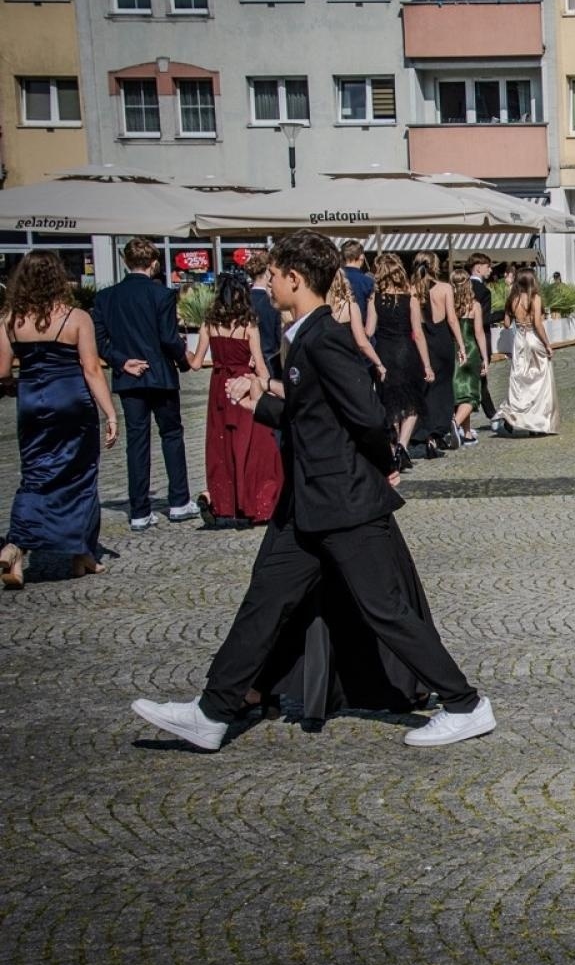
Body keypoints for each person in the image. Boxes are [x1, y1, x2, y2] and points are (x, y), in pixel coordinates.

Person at [130, 229, 495, 751]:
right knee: (263, 602)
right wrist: (259, 403)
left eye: (275, 275)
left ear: (295, 279)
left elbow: (367, 416)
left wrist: (382, 461)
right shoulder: (306, 334)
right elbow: (310, 416)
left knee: (386, 609)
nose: (270, 283)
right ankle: (213, 712)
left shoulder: (324, 337)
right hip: (307, 503)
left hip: (342, 502)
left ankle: (465, 704)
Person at [0, 251, 118, 587]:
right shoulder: (76, 317)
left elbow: (3, 371)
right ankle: (82, 552)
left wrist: (14, 386)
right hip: (72, 401)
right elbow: (92, 369)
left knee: (35, 474)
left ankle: (15, 548)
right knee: (81, 475)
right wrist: (110, 413)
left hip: (31, 402)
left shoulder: (10, 319)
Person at [92, 237, 200, 530]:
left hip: (130, 378)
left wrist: (121, 361)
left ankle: (139, 509)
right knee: (172, 436)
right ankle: (179, 501)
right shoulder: (161, 295)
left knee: (137, 442)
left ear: (126, 262)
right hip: (160, 375)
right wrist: (183, 360)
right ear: (153, 263)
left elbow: (99, 341)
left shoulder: (106, 298)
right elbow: (168, 338)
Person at [186, 271, 279, 528]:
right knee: (251, 446)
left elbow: (195, 364)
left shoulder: (209, 324)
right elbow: (260, 365)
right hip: (244, 385)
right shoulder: (248, 325)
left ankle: (223, 502)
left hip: (220, 387)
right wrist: (269, 389)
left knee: (221, 446)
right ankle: (252, 503)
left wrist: (183, 350)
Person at [367, 253, 432, 469]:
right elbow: (418, 333)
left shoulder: (374, 299)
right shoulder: (410, 298)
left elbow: (369, 330)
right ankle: (403, 445)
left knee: (390, 402)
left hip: (384, 351)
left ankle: (394, 448)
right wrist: (427, 364)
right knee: (412, 400)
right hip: (406, 350)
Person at [494, 268, 559, 436]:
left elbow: (507, 324)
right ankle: (536, 422)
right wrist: (547, 344)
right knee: (539, 380)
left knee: (519, 379)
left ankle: (513, 415)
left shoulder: (513, 299)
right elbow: (538, 323)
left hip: (519, 340)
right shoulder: (535, 298)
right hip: (532, 338)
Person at [413, 252, 463, 457]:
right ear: (435, 266)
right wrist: (461, 344)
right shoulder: (444, 288)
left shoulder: (412, 290)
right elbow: (452, 319)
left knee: (424, 387)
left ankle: (424, 432)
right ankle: (438, 431)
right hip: (442, 340)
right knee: (442, 388)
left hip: (422, 341)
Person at [450, 268, 490, 444]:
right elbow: (479, 332)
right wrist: (485, 358)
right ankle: (454, 424)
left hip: (453, 350)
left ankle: (466, 433)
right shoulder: (474, 306)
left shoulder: (449, 305)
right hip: (470, 349)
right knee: (472, 394)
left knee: (459, 392)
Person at [466, 253, 498, 426]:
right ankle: (492, 415)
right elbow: (484, 319)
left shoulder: (460, 286)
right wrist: (504, 313)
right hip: (478, 338)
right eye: (488, 266)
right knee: (481, 379)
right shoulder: (483, 291)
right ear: (478, 267)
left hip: (461, 335)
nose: (490, 269)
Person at [245, 250, 283, 380]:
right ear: (267, 272)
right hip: (271, 363)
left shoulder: (243, 300)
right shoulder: (273, 302)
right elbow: (279, 337)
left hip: (246, 364)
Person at [340, 241, 374, 320]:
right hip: (361, 325)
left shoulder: (335, 278)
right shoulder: (367, 281)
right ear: (361, 257)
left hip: (338, 325)